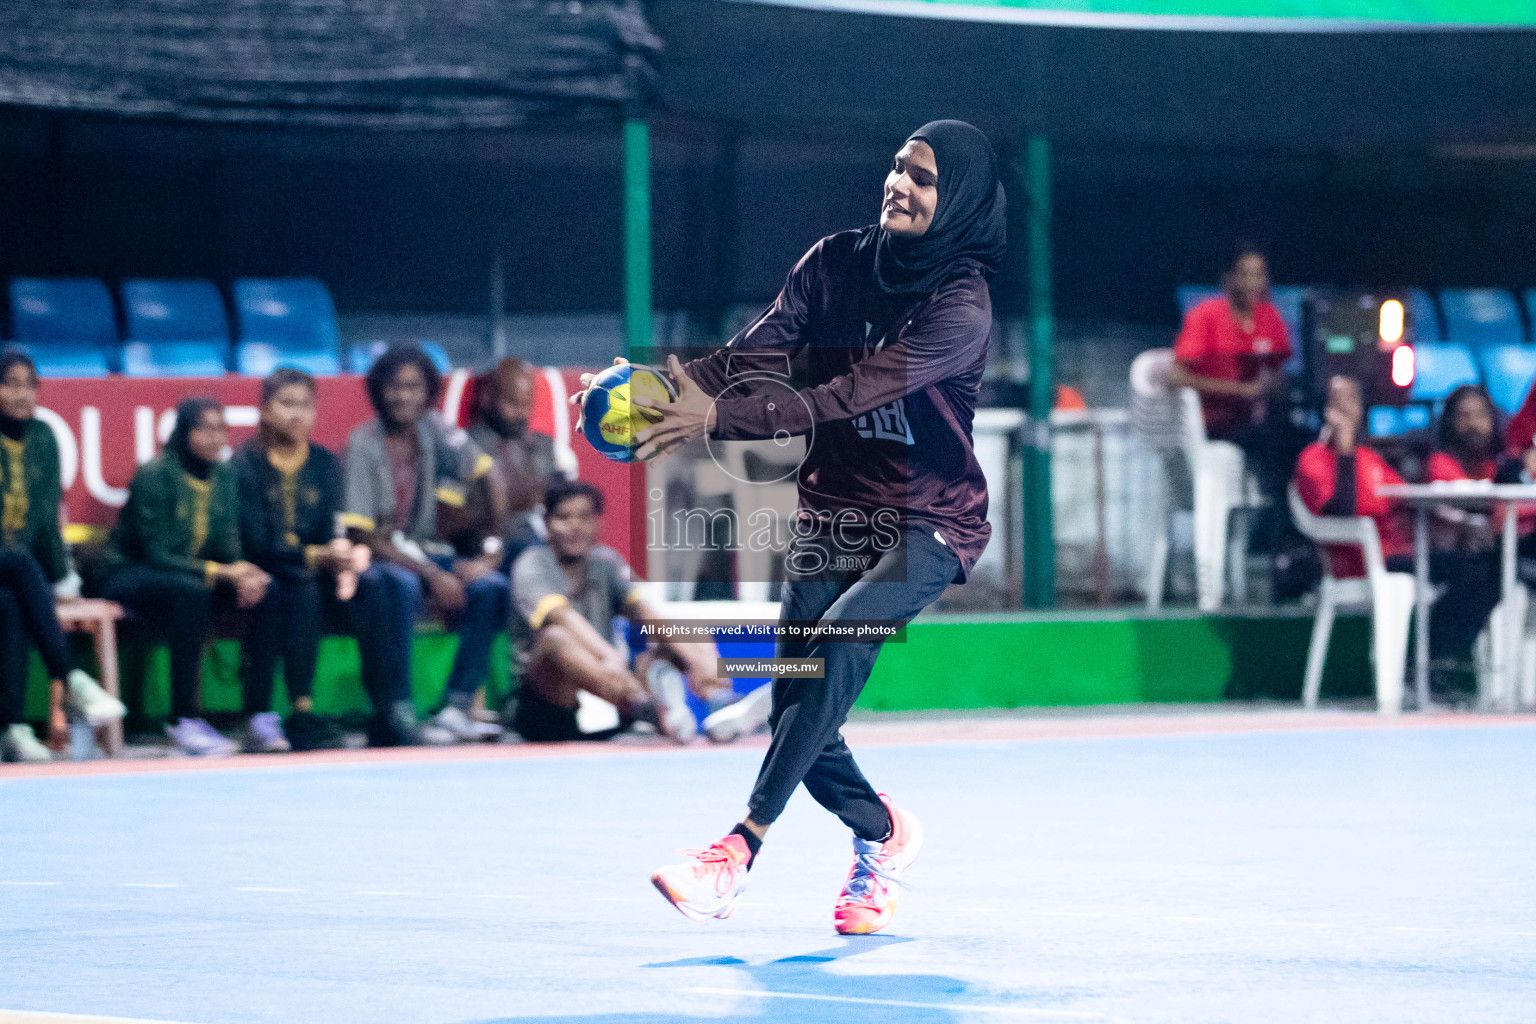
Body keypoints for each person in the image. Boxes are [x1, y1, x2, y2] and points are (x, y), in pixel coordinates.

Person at [596, 120, 1003, 933]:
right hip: (834, 508)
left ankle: (738, 850)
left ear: (954, 199)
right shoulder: (833, 264)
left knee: (844, 642)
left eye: (921, 178)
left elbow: (847, 394)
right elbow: (751, 356)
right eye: (895, 167)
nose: (899, 184)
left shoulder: (961, 307)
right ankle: (884, 836)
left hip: (931, 520)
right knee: (798, 705)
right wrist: (651, 389)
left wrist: (720, 419)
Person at [342, 346, 505, 744]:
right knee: (399, 585)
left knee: (491, 588)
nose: (403, 396)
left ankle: (457, 707)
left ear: (428, 392)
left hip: (430, 554)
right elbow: (363, 536)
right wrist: (434, 575)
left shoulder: (435, 429)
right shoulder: (362, 443)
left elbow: (490, 475)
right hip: (378, 560)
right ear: (378, 391)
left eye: (414, 387)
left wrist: (490, 551)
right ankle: (397, 710)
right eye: (394, 387)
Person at [90, 398, 270, 756]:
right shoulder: (155, 473)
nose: (213, 437)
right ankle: (183, 721)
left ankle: (258, 716)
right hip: (126, 573)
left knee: (268, 590)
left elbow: (226, 543)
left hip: (186, 579)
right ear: (183, 432)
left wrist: (244, 571)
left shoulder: (224, 475)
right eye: (203, 428)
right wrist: (220, 571)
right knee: (192, 592)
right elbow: (156, 554)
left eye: (220, 429)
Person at [1294, 377, 1498, 691]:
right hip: (1360, 562)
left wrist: (1459, 523)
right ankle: (1424, 664)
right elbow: (1344, 510)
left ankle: (1431, 661)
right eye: (1339, 403)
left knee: (1484, 571)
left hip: (1399, 554)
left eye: (1353, 402)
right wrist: (1345, 448)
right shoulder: (1313, 460)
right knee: (1474, 575)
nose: (1347, 410)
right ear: (1327, 410)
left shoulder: (1369, 459)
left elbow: (1408, 499)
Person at [508, 479, 725, 744]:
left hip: (611, 688)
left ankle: (719, 704)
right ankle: (649, 712)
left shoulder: (606, 562)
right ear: (547, 522)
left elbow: (646, 613)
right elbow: (563, 617)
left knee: (687, 633)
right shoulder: (532, 564)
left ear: (598, 522)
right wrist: (610, 657)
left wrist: (697, 658)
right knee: (556, 638)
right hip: (547, 710)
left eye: (584, 517)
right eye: (564, 517)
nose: (575, 526)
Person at [234, 368, 379, 752]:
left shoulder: (326, 464)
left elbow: (332, 529)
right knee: (280, 591)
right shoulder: (244, 465)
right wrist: (316, 555)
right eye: (286, 404)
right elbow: (254, 540)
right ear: (264, 410)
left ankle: (324, 711)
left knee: (364, 589)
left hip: (309, 575)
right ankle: (258, 715)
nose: (297, 415)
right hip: (256, 569)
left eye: (305, 405)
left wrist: (344, 556)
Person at [0, 348, 124, 762]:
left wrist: (58, 579)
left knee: (11, 599)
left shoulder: (44, 437)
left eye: (28, 385)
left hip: (15, 572)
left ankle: (13, 727)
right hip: (12, 562)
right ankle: (68, 677)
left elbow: (46, 519)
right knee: (18, 564)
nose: (20, 394)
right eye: (8, 384)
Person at [467, 357, 562, 573]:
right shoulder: (470, 446)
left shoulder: (541, 446)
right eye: (512, 404)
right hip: (491, 542)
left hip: (536, 536)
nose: (521, 413)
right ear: (488, 399)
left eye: (526, 404)